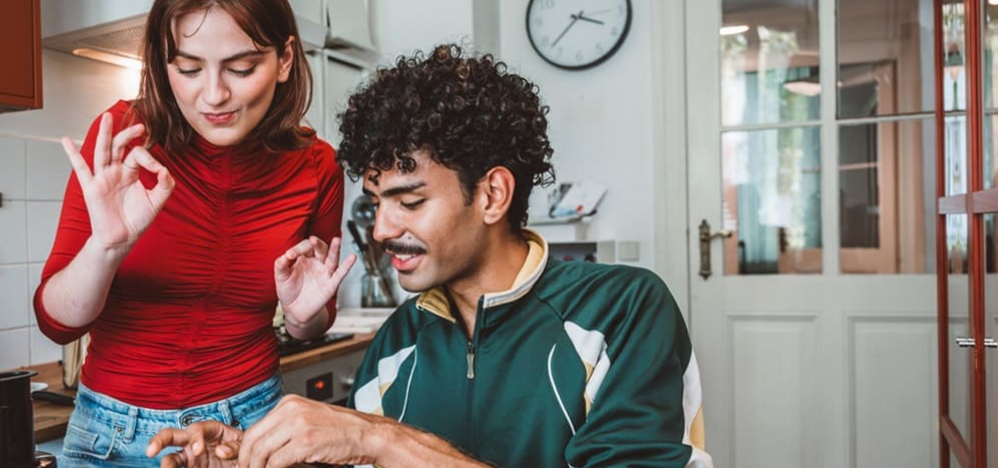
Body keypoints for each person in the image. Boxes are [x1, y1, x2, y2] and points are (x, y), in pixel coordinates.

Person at [146, 44, 713, 468]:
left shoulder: (624, 312)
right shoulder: (400, 340)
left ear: (492, 195)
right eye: (374, 202)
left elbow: (385, 450)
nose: (383, 228)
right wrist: (258, 455)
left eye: (409, 201)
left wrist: (379, 437)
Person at [32, 0, 355, 466]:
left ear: (284, 60)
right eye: (188, 68)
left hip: (251, 428)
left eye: (241, 68)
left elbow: (314, 319)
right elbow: (57, 323)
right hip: (110, 436)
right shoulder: (126, 137)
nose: (213, 95)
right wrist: (106, 246)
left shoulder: (316, 166)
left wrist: (304, 316)